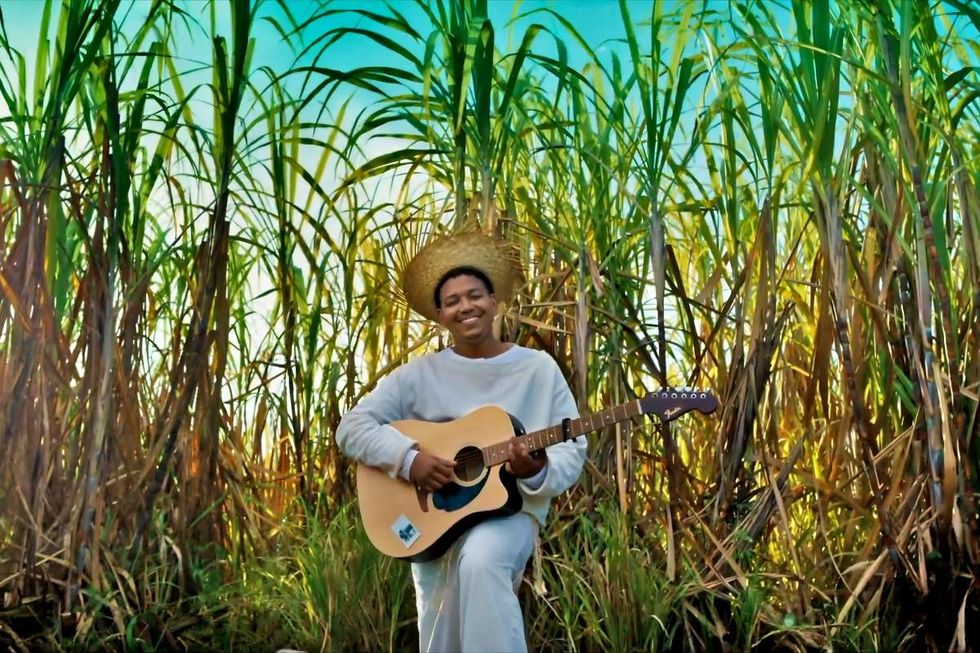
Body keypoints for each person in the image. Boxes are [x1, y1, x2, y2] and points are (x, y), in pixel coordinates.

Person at [335, 229, 588, 653]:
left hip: (509, 512)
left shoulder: (537, 369)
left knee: (483, 562)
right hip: (432, 517)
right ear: (439, 314)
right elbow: (351, 427)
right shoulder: (418, 374)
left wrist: (537, 470)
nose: (465, 306)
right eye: (452, 301)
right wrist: (407, 459)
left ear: (494, 302)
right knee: (439, 629)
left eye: (475, 295)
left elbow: (570, 448)